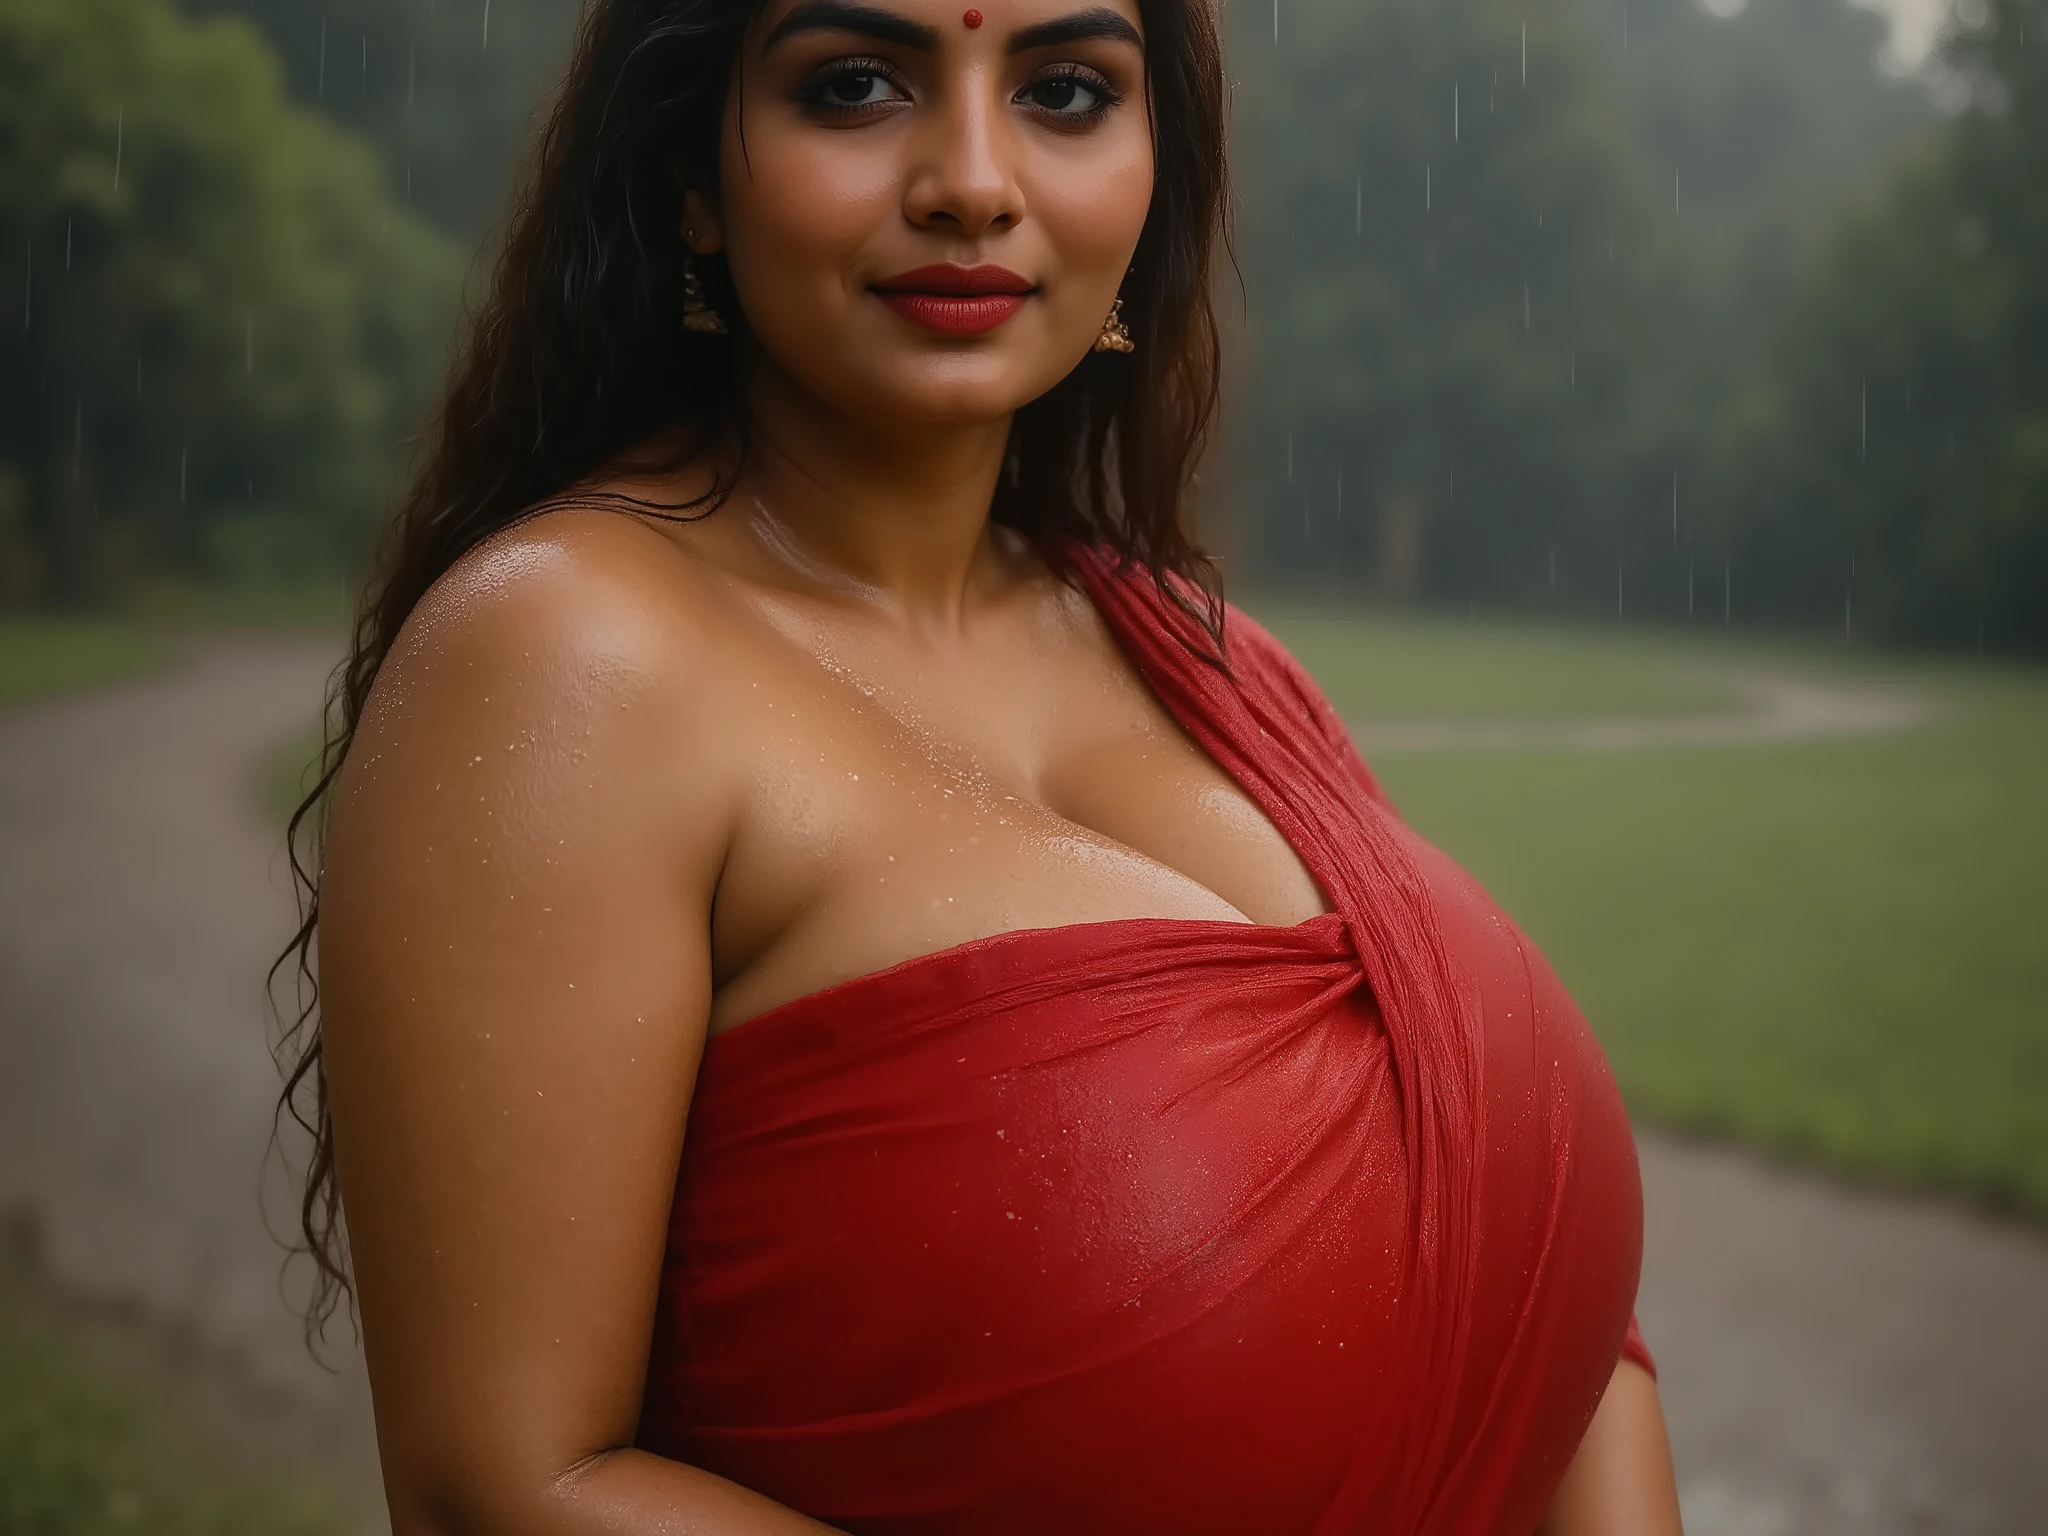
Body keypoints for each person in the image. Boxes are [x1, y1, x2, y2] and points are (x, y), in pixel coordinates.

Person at [280, 0, 1685, 1530]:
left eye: (1068, 91)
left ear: (1157, 175)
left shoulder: (1210, 658)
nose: (971, 177)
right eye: (858, 84)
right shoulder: (568, 660)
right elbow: (509, 1493)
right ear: (692, 169)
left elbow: (1530, 1279)